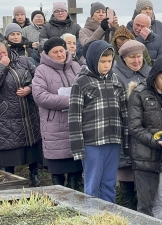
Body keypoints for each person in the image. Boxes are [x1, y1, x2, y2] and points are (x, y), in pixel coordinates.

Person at [68, 40, 129, 203]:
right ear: (94, 60)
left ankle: (110, 217)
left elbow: (124, 112)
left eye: (110, 61)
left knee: (109, 183)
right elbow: (74, 117)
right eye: (103, 61)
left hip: (113, 140)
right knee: (92, 185)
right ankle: (91, 216)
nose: (106, 65)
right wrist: (78, 148)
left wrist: (127, 143)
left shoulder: (116, 81)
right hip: (92, 142)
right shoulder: (81, 83)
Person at [128, 54, 162, 220]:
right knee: (145, 205)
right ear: (155, 74)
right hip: (144, 157)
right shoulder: (139, 94)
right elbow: (134, 127)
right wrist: (157, 142)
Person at [32, 37, 82, 190]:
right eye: (55, 52)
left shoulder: (75, 66)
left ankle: (75, 196)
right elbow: (40, 96)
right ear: (47, 54)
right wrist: (71, 100)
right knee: (58, 171)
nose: (60, 54)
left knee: (75, 169)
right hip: (54, 125)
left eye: (62, 50)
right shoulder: (42, 70)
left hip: (75, 123)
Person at [113, 40, 150, 210]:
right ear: (123, 58)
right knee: (126, 169)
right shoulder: (115, 74)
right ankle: (127, 207)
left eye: (139, 57)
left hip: (145, 129)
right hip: (124, 129)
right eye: (132, 57)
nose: (136, 61)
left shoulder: (149, 73)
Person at [0, 41, 41, 186]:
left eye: (3, 52)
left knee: (31, 144)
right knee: (9, 147)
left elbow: (38, 77)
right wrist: (2, 66)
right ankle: (9, 178)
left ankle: (34, 173)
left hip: (28, 111)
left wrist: (29, 88)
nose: (2, 56)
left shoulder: (23, 61)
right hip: (6, 115)